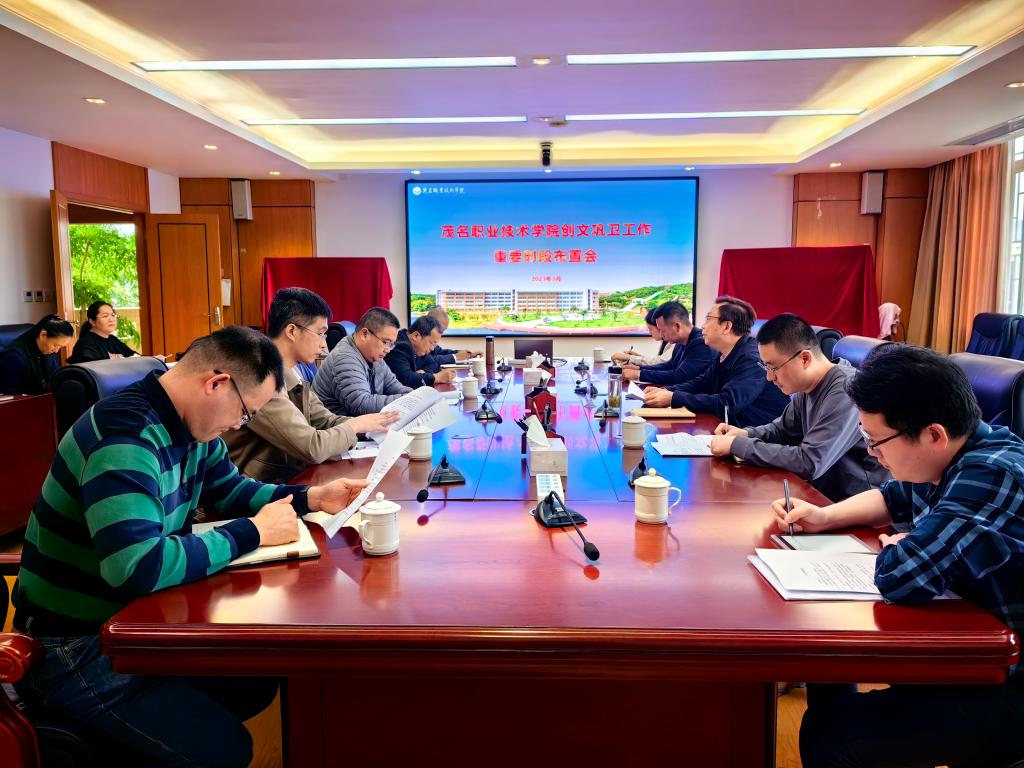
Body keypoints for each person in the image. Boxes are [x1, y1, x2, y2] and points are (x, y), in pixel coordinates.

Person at [13, 325, 369, 766]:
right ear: (216, 384)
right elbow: (137, 567)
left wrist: (311, 498)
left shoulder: (188, 427)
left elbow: (233, 490)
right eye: (245, 414)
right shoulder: (125, 437)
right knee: (227, 750)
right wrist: (252, 532)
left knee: (254, 682)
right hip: (74, 648)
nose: (239, 425)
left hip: (137, 621)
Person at [775, 344, 1024, 768]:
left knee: (835, 738)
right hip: (966, 650)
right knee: (827, 683)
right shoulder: (948, 455)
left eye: (876, 442)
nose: (872, 454)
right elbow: (892, 497)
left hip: (1007, 682)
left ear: (933, 435)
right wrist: (823, 516)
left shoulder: (993, 472)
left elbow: (902, 576)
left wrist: (901, 548)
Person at [225, 288, 399, 482]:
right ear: (292, 331)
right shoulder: (260, 376)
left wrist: (370, 426)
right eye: (320, 333)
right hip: (256, 488)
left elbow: (325, 420)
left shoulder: (294, 371)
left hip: (287, 478)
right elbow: (312, 447)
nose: (324, 344)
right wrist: (356, 425)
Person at [710, 313, 889, 501]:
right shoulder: (808, 386)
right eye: (766, 368)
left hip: (851, 504)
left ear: (805, 358)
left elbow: (810, 462)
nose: (770, 377)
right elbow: (782, 431)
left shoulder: (846, 389)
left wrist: (738, 445)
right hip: (817, 493)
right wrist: (745, 434)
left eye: (773, 368)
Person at [643, 296, 789, 427]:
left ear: (726, 326)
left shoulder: (751, 358)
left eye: (708, 318)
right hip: (731, 428)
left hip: (758, 436)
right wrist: (667, 390)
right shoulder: (725, 353)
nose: (702, 326)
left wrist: (673, 398)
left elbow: (726, 403)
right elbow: (702, 382)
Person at [313, 306, 412, 416]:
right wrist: (407, 400)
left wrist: (415, 396)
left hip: (360, 422)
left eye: (391, 345)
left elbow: (393, 385)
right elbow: (362, 405)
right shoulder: (344, 358)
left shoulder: (374, 356)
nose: (388, 350)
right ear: (365, 334)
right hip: (339, 424)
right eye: (386, 342)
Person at [622, 301, 714, 386]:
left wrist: (639, 374)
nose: (661, 335)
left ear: (677, 326)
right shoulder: (680, 341)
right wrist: (639, 368)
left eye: (662, 330)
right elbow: (669, 366)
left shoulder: (701, 344)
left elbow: (679, 376)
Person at [0, 314, 74, 394]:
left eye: (60, 347)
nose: (56, 351)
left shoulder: (47, 351)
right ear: (43, 335)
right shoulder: (14, 356)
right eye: (56, 345)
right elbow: (10, 395)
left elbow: (56, 377)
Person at [384, 315, 457, 388]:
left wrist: (423, 372)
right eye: (431, 343)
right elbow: (406, 380)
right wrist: (437, 377)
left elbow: (433, 363)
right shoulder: (399, 347)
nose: (432, 349)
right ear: (416, 336)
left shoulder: (418, 349)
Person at [67, 300, 138, 363]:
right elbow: (96, 367)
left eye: (113, 315)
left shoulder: (114, 340)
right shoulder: (86, 343)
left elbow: (134, 356)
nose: (111, 319)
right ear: (92, 321)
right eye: (105, 316)